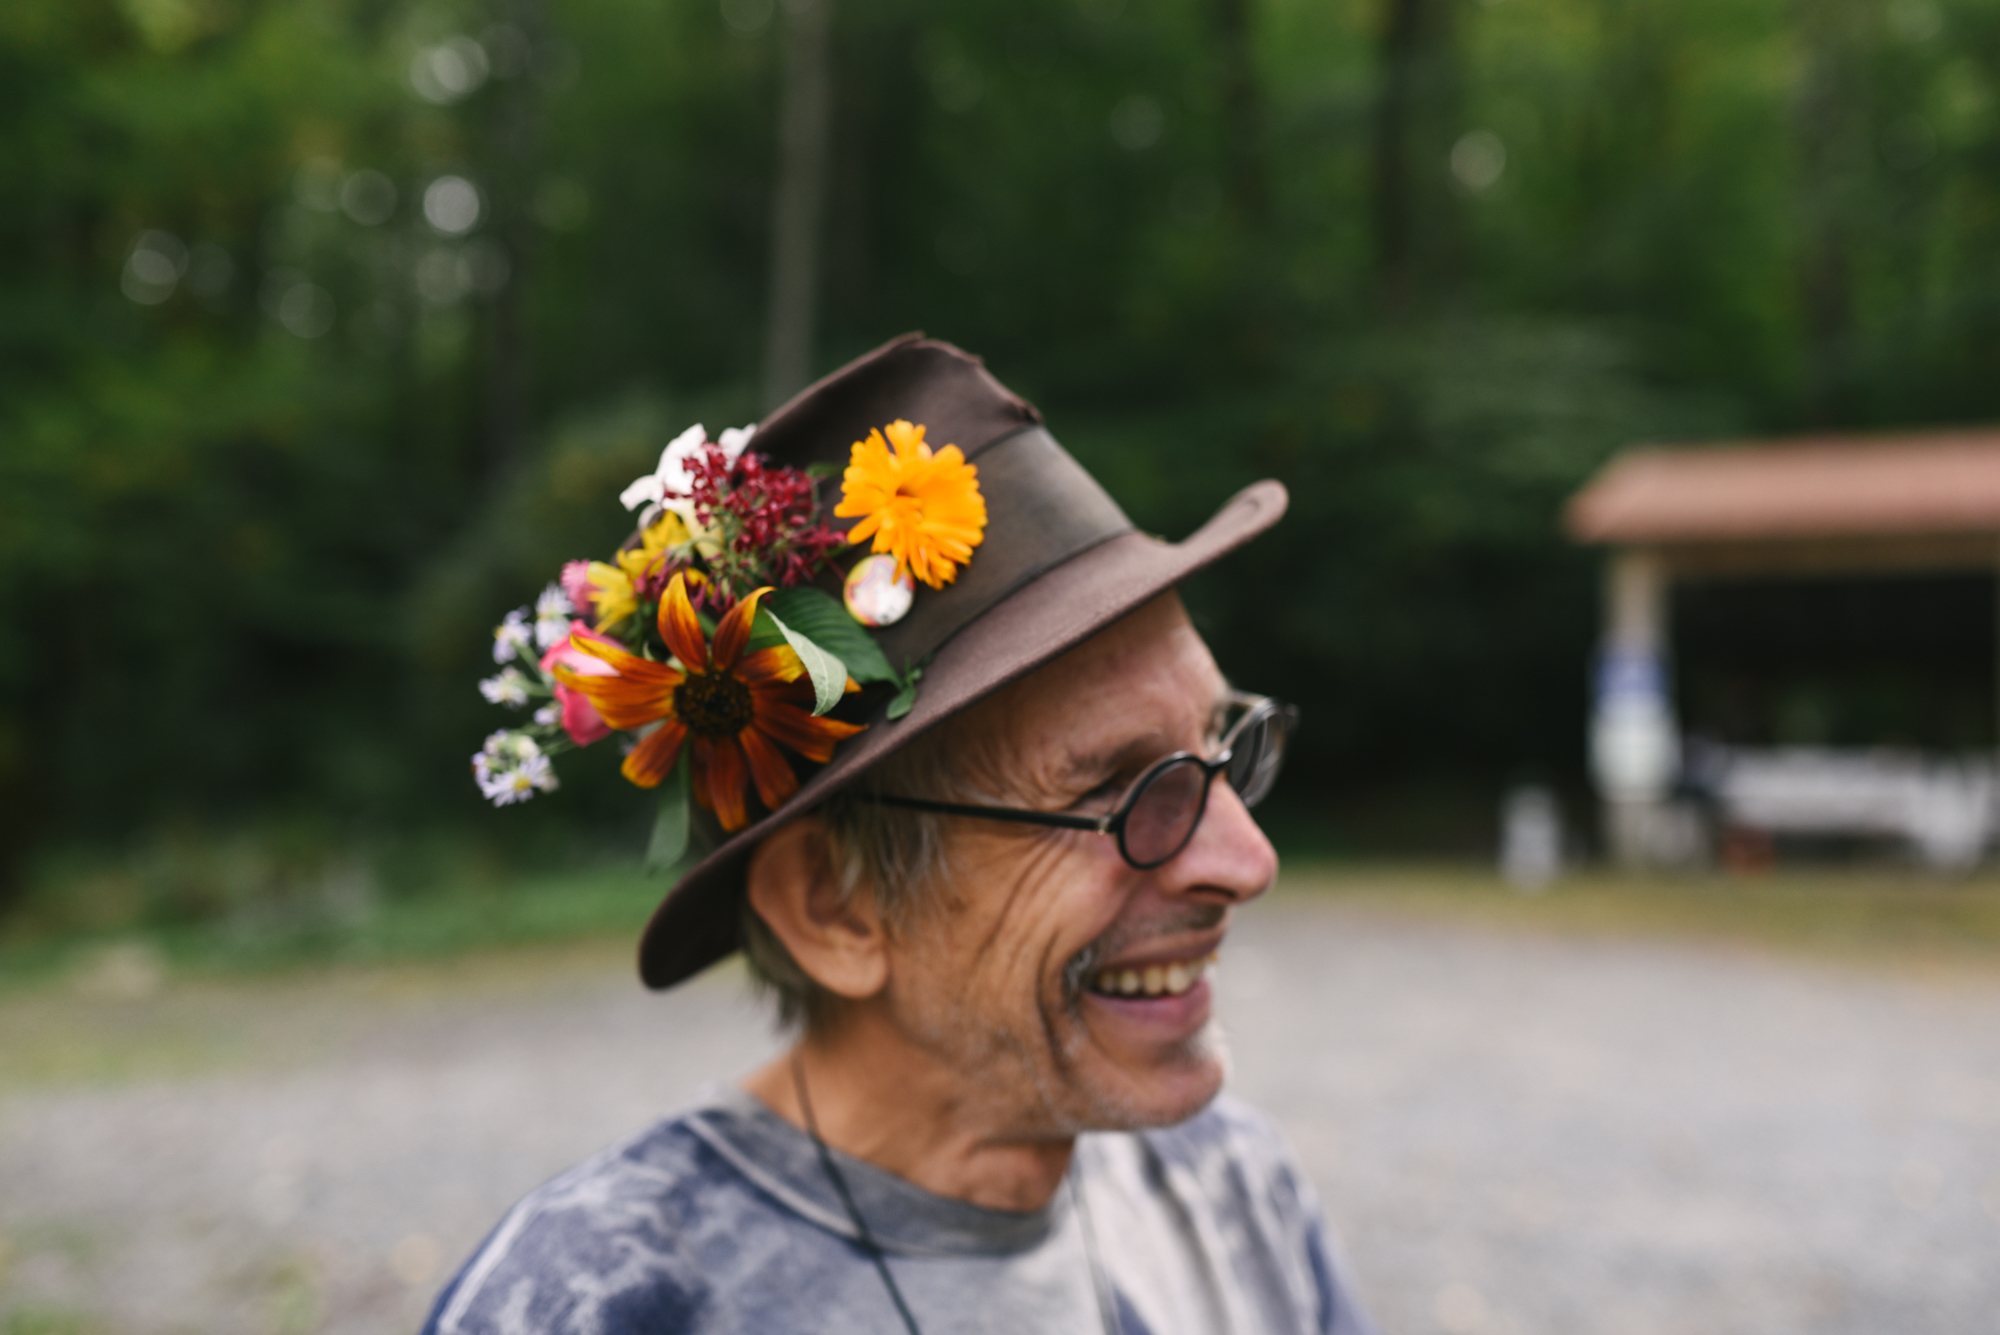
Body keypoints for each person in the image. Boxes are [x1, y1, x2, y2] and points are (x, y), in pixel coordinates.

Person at [426, 336, 1378, 1334]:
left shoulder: (1232, 1191)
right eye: (1123, 789)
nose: (1247, 861)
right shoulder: (603, 1303)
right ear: (832, 906)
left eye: (1224, 742)